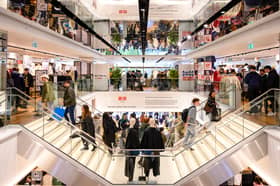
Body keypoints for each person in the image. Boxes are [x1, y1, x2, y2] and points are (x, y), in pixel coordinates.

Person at [125, 118, 140, 182]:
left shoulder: (130, 130)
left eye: (133, 121)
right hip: (131, 149)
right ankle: (130, 177)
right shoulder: (132, 130)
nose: (132, 122)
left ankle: (130, 177)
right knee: (131, 163)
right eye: (131, 121)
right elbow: (136, 141)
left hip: (130, 149)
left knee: (130, 163)